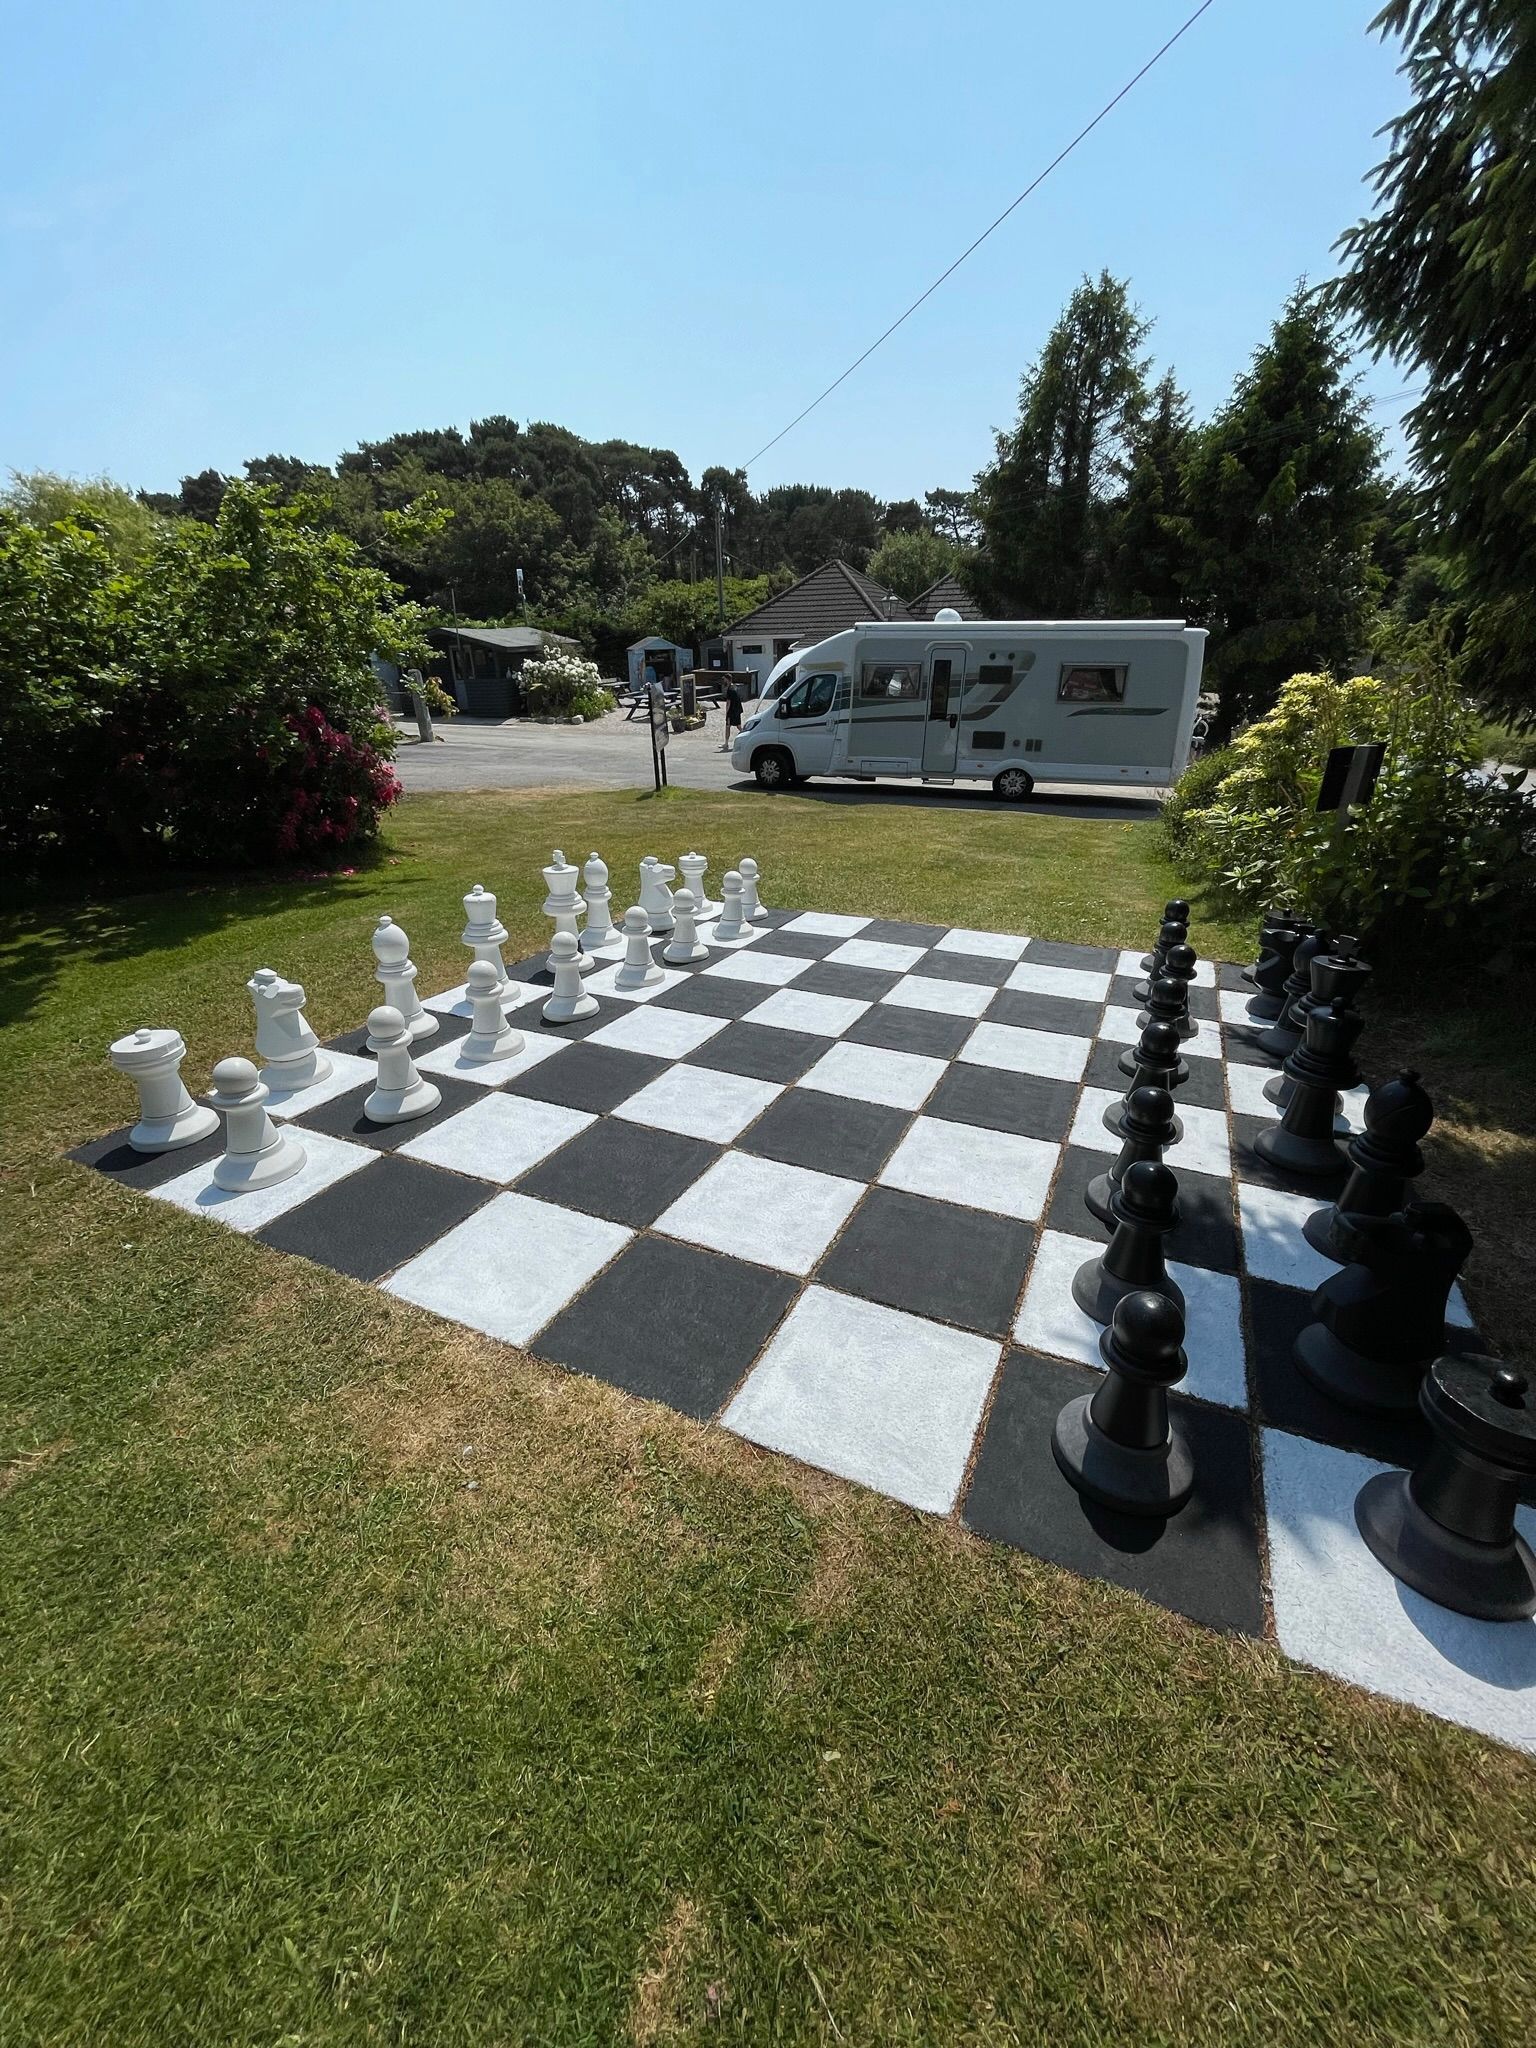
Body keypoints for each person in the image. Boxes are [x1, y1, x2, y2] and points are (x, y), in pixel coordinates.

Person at [722, 679, 744, 750]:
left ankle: (726, 744)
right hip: (737, 710)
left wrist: (726, 712)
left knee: (728, 726)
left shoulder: (730, 690)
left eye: (724, 680)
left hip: (732, 711)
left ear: (728, 680)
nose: (724, 681)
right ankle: (745, 736)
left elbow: (728, 702)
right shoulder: (734, 687)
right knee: (738, 726)